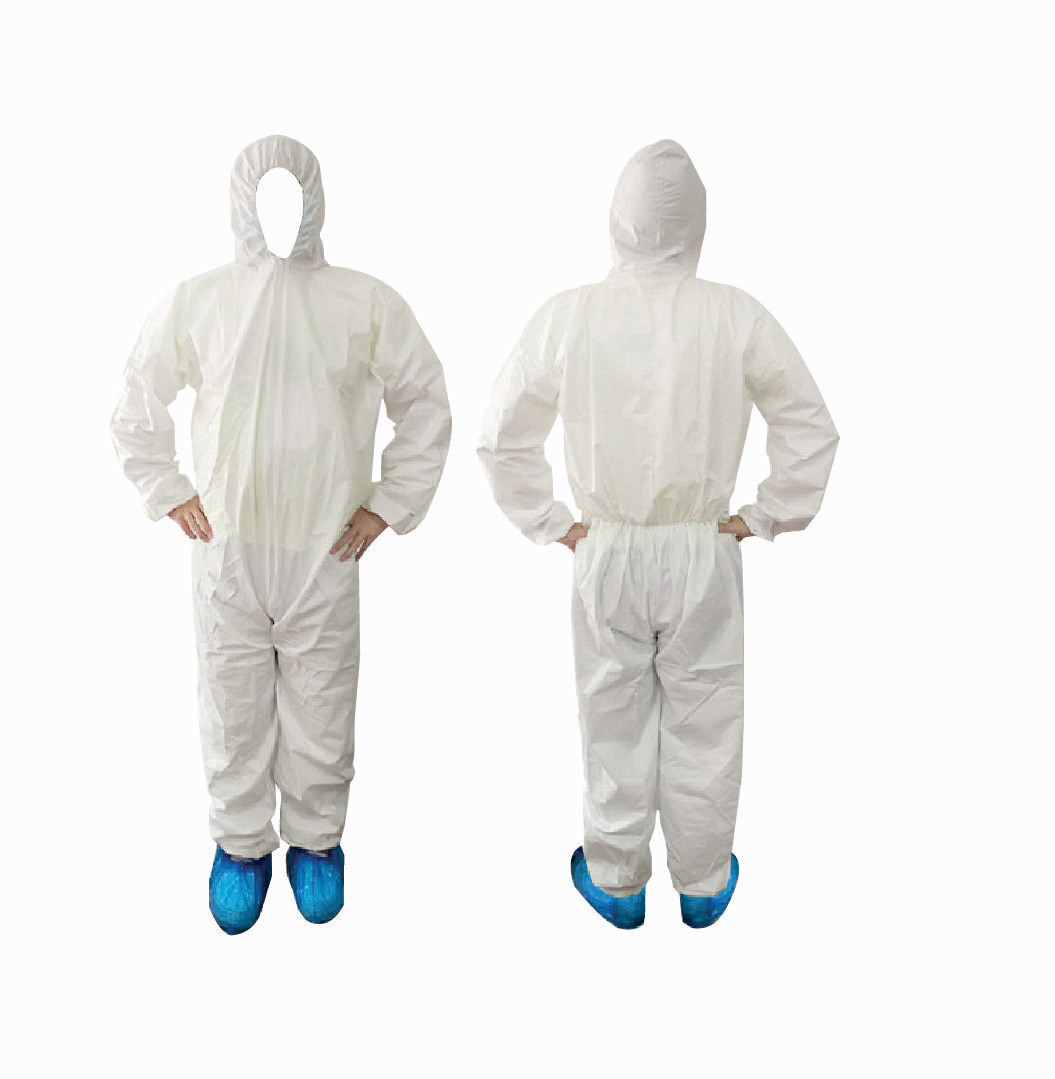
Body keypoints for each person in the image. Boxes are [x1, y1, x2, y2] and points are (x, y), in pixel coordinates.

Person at [477, 139, 839, 929]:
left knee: (613, 718)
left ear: (616, 218)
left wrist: (555, 524)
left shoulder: (569, 315)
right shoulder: (735, 313)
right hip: (702, 550)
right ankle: (704, 883)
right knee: (706, 717)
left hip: (606, 550)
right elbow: (810, 426)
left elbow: (502, 436)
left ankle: (616, 881)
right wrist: (762, 514)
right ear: (699, 223)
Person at [111, 135, 452, 934]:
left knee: (321, 705)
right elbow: (137, 393)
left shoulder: (363, 302)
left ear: (314, 203)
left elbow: (425, 398)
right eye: (261, 201)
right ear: (239, 204)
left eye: (291, 200)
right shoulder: (202, 301)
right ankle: (240, 847)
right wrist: (166, 487)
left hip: (324, 547)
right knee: (232, 705)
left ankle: (317, 842)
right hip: (228, 550)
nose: (276, 217)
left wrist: (389, 502)